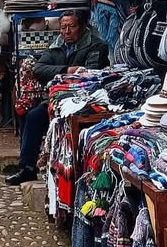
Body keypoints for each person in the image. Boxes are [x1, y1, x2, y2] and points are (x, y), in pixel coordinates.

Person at [6, 10, 109, 186]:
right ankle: (27, 168)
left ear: (82, 27)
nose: (67, 32)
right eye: (63, 27)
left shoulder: (96, 45)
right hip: (57, 100)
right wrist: (66, 70)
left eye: (71, 27)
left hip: (84, 101)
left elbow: (90, 74)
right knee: (34, 115)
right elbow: (39, 69)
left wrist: (63, 74)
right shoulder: (57, 45)